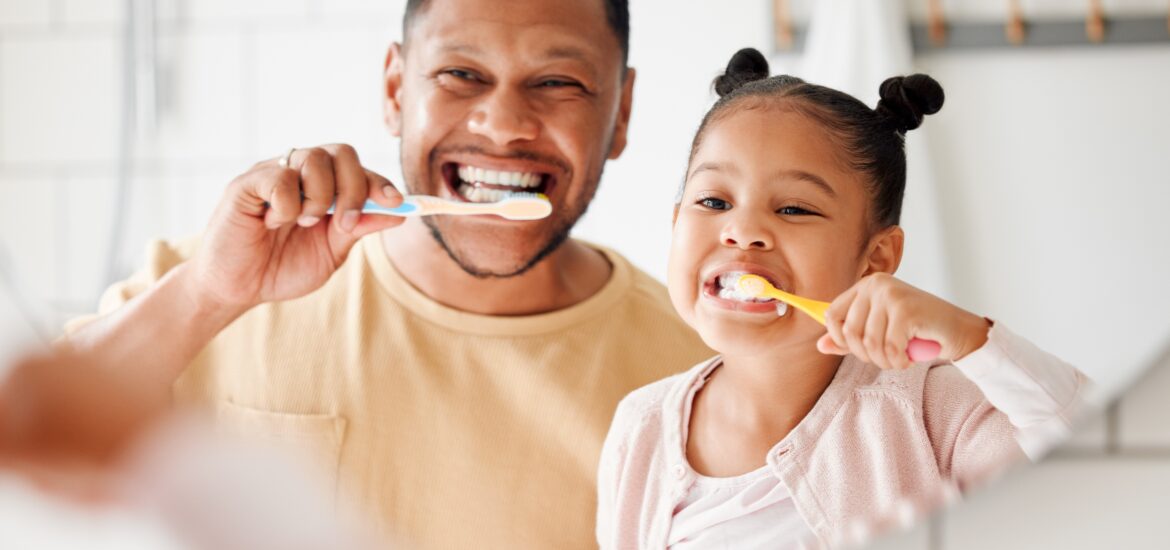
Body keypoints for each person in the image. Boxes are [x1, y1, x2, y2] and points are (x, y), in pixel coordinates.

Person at [62, 0, 711, 548]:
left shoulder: (698, 373)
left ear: (621, 113)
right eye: (461, 73)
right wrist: (208, 295)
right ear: (397, 91)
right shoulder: (212, 285)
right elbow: (31, 444)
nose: (505, 125)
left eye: (558, 83)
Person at [595, 48, 1092, 549]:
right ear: (676, 221)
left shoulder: (937, 412)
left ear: (876, 258)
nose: (743, 231)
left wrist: (972, 340)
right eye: (714, 201)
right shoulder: (641, 427)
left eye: (793, 208)